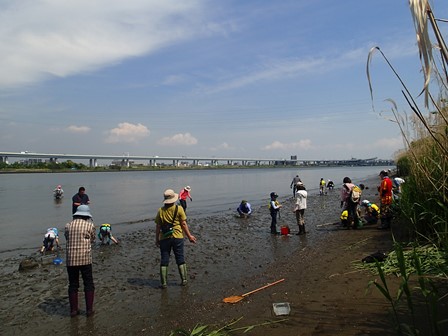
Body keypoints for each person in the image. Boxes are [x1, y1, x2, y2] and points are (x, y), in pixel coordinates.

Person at [155, 189, 196, 289]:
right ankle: (184, 280)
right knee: (180, 258)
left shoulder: (160, 211)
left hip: (164, 237)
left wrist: (157, 239)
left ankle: (164, 283)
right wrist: (189, 236)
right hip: (178, 236)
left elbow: (158, 227)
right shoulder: (179, 209)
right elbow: (183, 224)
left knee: (164, 259)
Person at [64, 205, 96, 317]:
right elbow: (92, 239)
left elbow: (67, 238)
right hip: (85, 258)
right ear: (86, 216)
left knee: (73, 284)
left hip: (71, 259)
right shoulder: (89, 225)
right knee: (88, 283)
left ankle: (73, 310)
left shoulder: (68, 225)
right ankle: (89, 310)